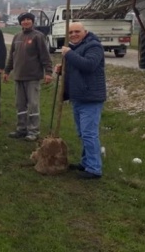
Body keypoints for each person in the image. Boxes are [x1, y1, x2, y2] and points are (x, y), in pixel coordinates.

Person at [58, 21, 106, 180]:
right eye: (70, 33)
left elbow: (89, 65)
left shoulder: (94, 46)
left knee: (89, 134)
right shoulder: (75, 49)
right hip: (78, 98)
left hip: (90, 98)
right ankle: (86, 162)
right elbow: (75, 71)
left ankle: (94, 169)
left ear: (85, 32)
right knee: (83, 133)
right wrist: (61, 70)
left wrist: (69, 54)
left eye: (77, 31)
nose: (73, 35)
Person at [3, 12, 53, 142]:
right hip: (18, 76)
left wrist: (48, 72)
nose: (26, 22)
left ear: (32, 21)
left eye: (28, 20)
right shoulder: (17, 37)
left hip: (32, 77)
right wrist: (7, 71)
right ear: (20, 23)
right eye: (23, 20)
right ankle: (21, 129)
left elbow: (45, 56)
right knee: (20, 105)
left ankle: (33, 131)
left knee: (33, 105)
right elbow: (12, 56)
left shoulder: (38, 36)